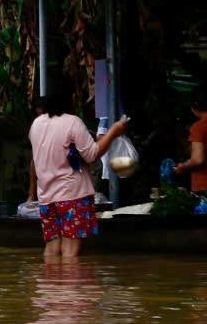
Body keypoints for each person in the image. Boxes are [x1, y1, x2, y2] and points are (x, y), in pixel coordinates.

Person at [27, 93, 130, 261]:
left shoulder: (36, 124)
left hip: (46, 198)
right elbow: (92, 155)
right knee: (70, 250)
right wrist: (113, 132)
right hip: (72, 196)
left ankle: (49, 286)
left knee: (52, 248)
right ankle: (71, 287)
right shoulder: (72, 122)